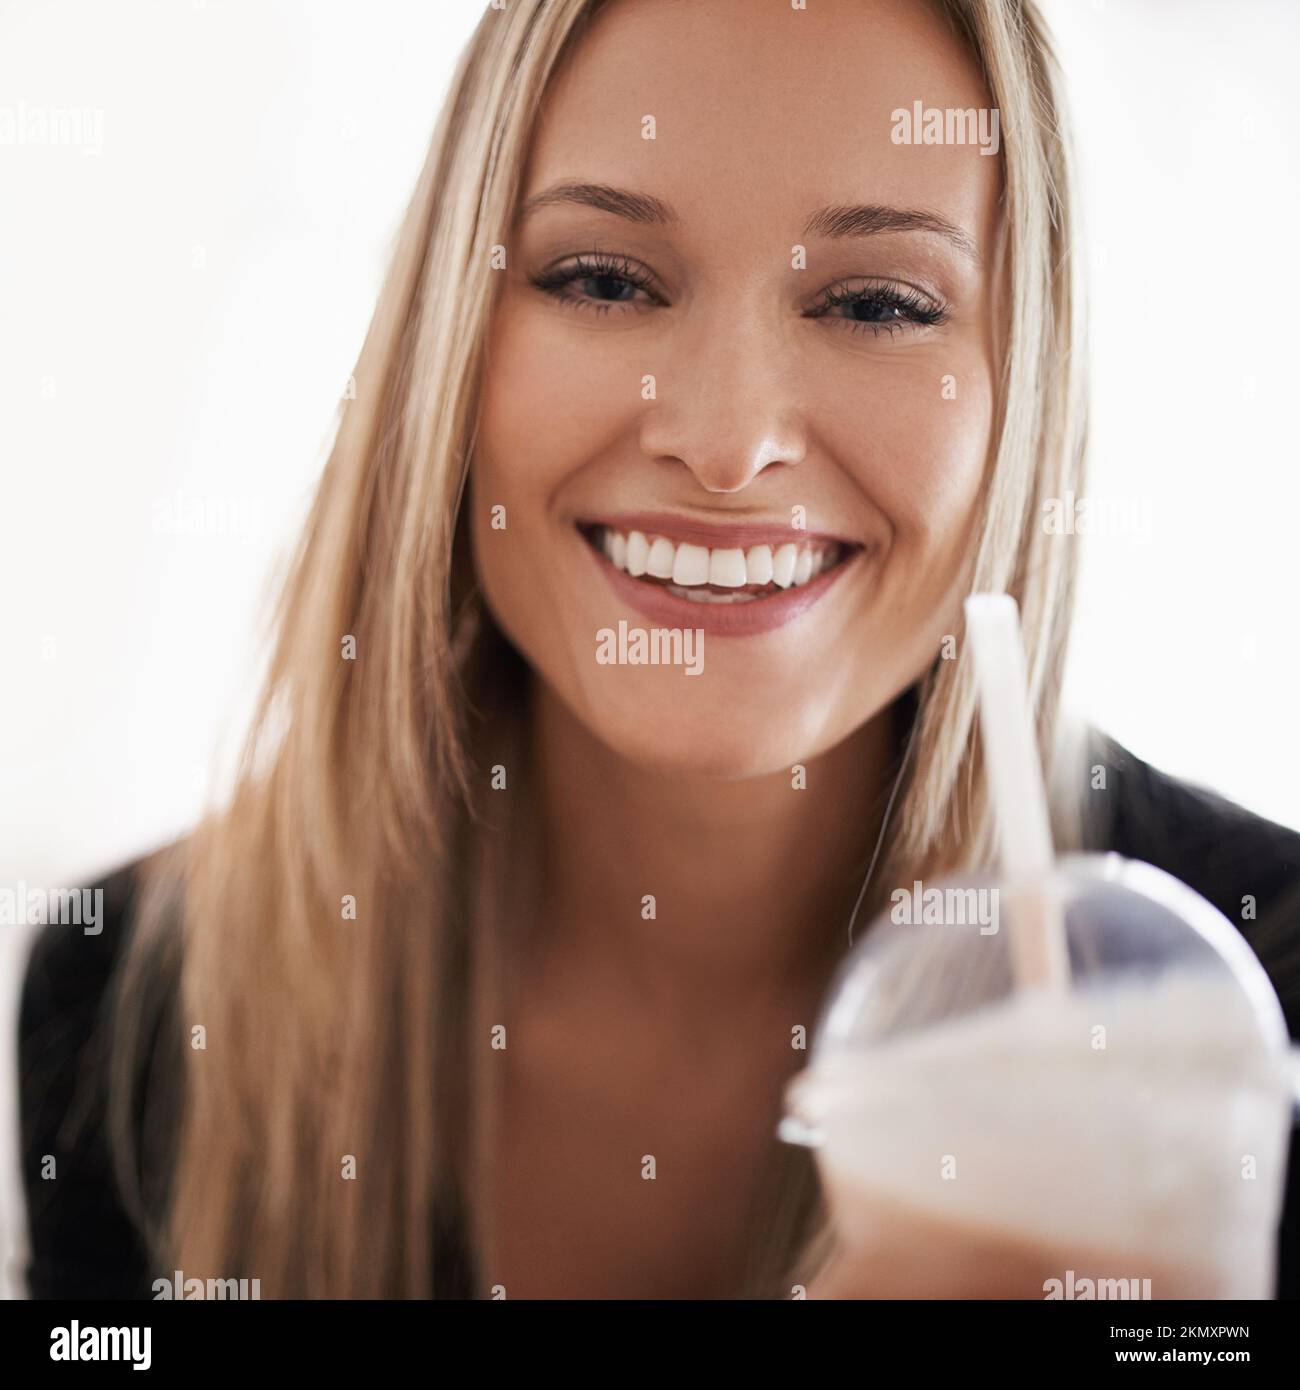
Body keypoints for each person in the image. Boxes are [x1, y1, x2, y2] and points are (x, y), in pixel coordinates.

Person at [19, 0, 1300, 1300]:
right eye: (603, 279)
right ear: (446, 347)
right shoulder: (134, 994)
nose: (728, 440)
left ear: (1027, 380)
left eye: (876, 301)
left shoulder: (1264, 1008)